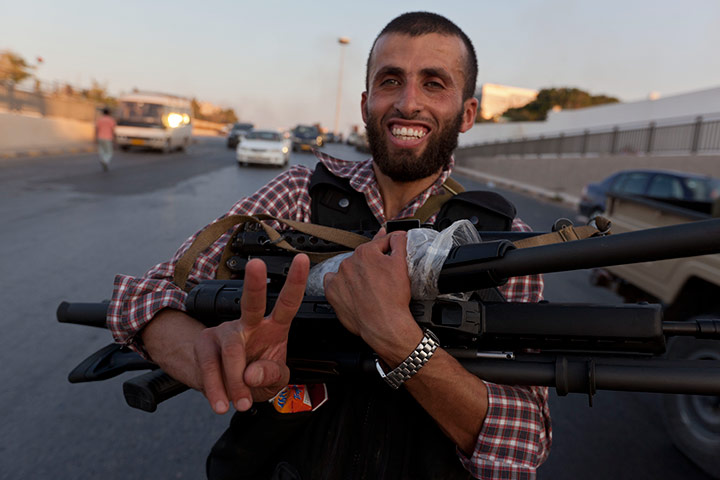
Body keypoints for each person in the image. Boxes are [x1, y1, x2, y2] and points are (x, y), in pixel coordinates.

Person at [108, 11, 551, 479]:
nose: (408, 102)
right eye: (390, 80)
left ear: (467, 114)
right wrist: (211, 356)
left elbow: (524, 440)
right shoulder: (297, 196)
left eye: (434, 83)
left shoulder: (504, 242)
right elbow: (146, 294)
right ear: (365, 104)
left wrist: (399, 340)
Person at [95, 107, 116, 171]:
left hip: (100, 137)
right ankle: (105, 161)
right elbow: (113, 130)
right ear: (109, 113)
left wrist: (95, 137)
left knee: (102, 150)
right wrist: (114, 138)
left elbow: (96, 128)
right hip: (108, 138)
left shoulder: (100, 119)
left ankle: (102, 159)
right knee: (109, 152)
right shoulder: (111, 120)